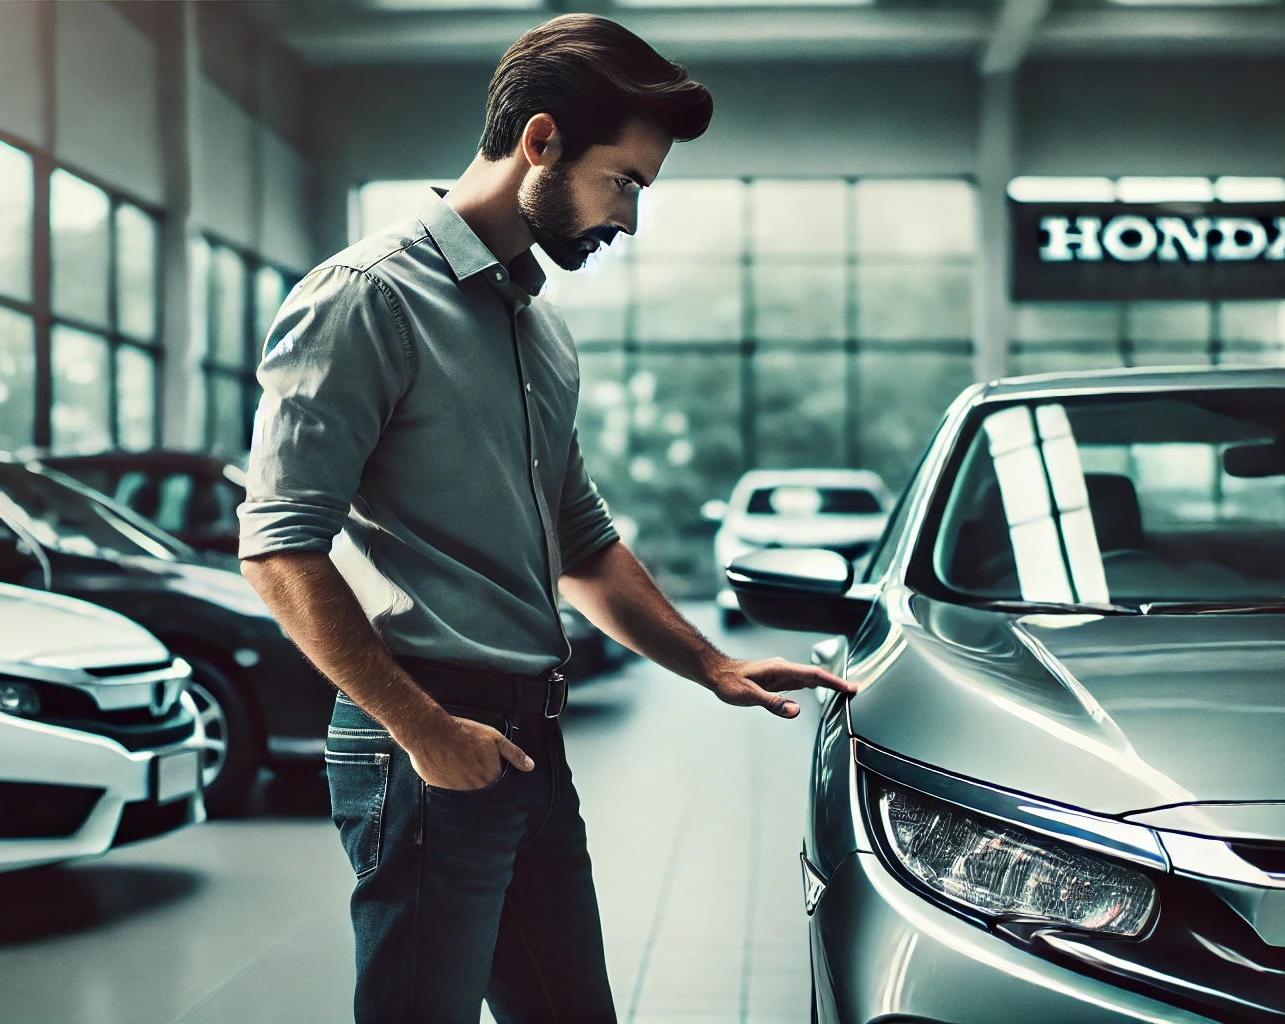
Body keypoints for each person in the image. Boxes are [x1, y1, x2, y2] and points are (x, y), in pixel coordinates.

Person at [237, 14, 857, 1023]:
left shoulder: (538, 329)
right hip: (423, 737)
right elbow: (277, 548)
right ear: (540, 141)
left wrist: (712, 665)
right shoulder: (367, 299)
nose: (630, 221)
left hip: (529, 738)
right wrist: (421, 728)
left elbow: (584, 543)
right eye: (625, 183)